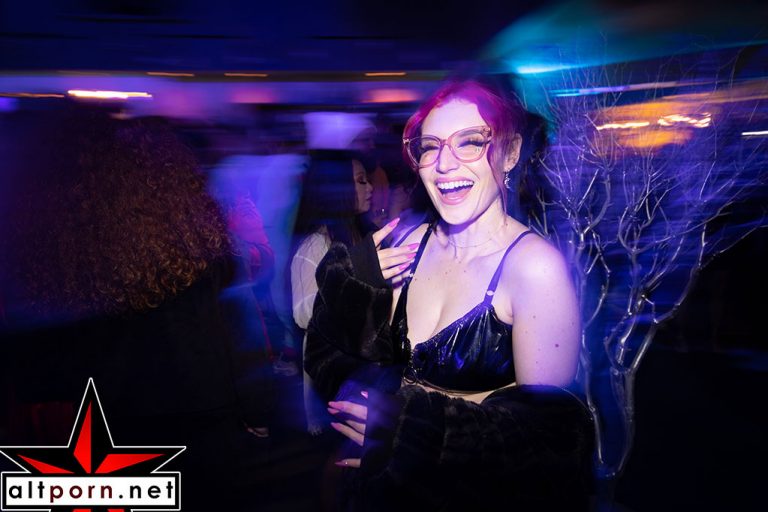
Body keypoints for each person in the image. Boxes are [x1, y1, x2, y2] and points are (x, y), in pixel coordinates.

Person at [304, 78, 596, 511]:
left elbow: (550, 443)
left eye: (470, 142)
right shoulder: (408, 242)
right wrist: (349, 286)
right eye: (430, 147)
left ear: (510, 153)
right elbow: (334, 359)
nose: (443, 164)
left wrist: (409, 433)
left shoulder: (534, 269)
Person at [0, 108, 264, 511]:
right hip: (204, 426)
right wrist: (251, 408)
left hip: (118, 435)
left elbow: (41, 371)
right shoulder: (196, 248)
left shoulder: (73, 264)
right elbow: (227, 334)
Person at [290, 112, 376, 437]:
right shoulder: (316, 246)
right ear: (340, 189)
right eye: (361, 181)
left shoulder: (363, 236)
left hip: (366, 371)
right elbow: (303, 316)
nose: (370, 188)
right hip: (335, 377)